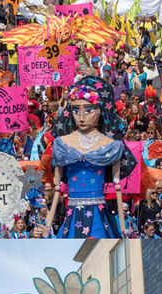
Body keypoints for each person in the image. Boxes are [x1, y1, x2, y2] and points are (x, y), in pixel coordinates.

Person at [47, 76, 132, 238]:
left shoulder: (111, 145)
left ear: (100, 110)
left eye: (88, 109)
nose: (81, 116)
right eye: (76, 110)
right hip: (72, 215)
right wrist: (47, 226)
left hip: (99, 215)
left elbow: (117, 188)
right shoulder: (61, 144)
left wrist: (123, 228)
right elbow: (57, 188)